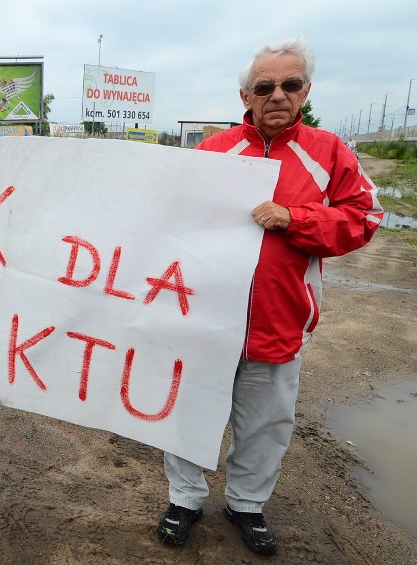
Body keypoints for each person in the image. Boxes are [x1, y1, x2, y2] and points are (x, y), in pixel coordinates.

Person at [156, 36, 383, 555]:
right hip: (204, 322)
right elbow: (167, 218)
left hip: (279, 321)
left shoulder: (329, 152)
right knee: (187, 413)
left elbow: (365, 216)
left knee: (265, 424)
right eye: (265, 86)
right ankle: (184, 497)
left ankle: (246, 504)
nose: (277, 95)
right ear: (245, 96)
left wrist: (295, 219)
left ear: (306, 91)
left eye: (290, 84)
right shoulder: (213, 152)